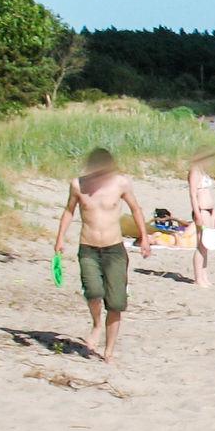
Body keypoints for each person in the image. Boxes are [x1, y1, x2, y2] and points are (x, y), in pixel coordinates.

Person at [54, 148, 152, 362]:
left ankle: (108, 351)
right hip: (88, 247)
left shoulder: (121, 183)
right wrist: (60, 238)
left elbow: (135, 208)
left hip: (114, 249)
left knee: (116, 303)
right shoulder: (78, 185)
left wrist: (144, 237)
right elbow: (69, 210)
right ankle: (97, 324)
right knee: (93, 291)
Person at [188, 150, 215, 288]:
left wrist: (214, 214)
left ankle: (204, 276)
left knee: (207, 245)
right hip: (201, 211)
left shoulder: (203, 172)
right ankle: (198, 277)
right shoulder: (194, 171)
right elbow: (193, 194)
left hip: (208, 211)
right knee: (201, 245)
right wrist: (197, 214)